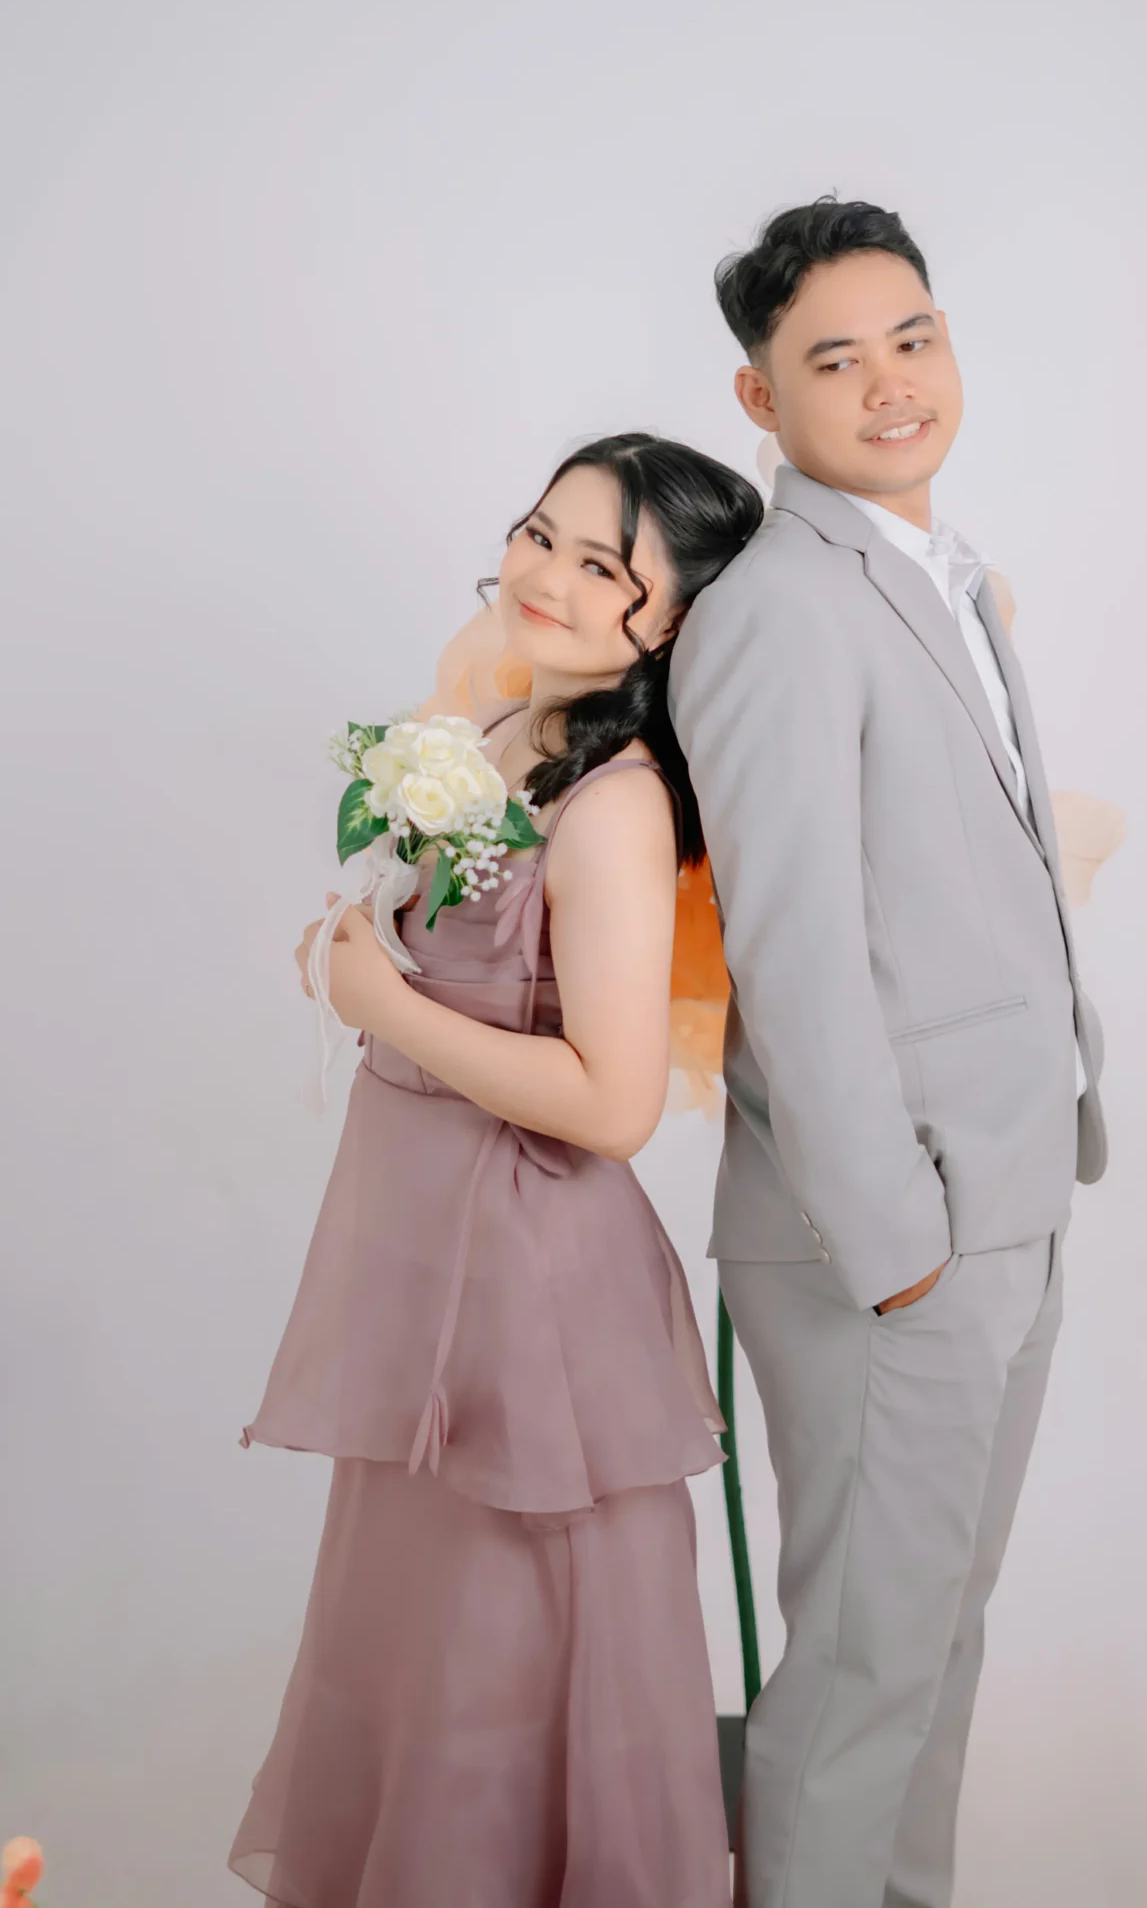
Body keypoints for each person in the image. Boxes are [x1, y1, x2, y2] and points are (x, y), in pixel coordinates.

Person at [232, 432, 763, 1908]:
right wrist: (360, 949)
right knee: (422, 1666)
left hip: (531, 1295)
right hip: (430, 1276)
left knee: (505, 1674)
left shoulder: (619, 804)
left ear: (675, 618)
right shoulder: (504, 735)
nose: (547, 576)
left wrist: (383, 1003)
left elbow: (612, 1104)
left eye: (604, 566)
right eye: (540, 534)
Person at [668, 200, 1108, 1908]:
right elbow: (788, 950)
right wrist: (896, 1245)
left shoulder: (943, 575)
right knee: (861, 1678)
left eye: (911, 339)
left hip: (1007, 1197)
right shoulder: (780, 606)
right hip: (891, 1238)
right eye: (835, 359)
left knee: (930, 1652)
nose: (890, 384)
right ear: (759, 398)